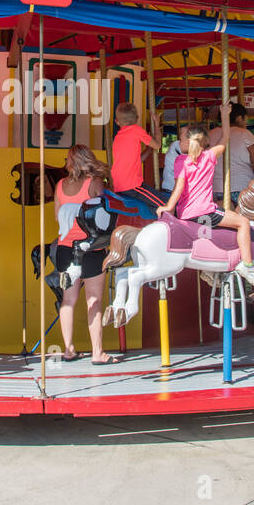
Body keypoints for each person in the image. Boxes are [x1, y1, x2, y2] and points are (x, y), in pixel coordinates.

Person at [160, 102, 254, 288]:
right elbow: (225, 137)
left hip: (186, 213)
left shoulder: (180, 160)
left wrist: (169, 207)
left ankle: (210, 268)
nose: (179, 141)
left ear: (189, 142)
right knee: (243, 222)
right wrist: (225, 114)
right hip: (205, 211)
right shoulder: (209, 157)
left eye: (181, 138)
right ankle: (248, 266)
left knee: (213, 228)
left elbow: (178, 187)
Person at [54, 144, 119, 364]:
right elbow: (106, 212)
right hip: (91, 248)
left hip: (65, 248)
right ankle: (98, 353)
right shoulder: (95, 183)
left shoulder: (61, 185)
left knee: (68, 300)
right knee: (94, 300)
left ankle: (68, 350)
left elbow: (57, 217)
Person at [207, 102, 254, 204]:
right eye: (245, 119)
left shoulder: (210, 134)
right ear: (239, 118)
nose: (246, 123)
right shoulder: (245, 134)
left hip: (214, 189)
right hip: (241, 187)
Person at [110, 102, 164, 206]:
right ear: (137, 118)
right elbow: (157, 145)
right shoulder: (136, 130)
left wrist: (148, 150)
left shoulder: (118, 137)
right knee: (166, 204)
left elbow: (136, 160)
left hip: (119, 185)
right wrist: (157, 124)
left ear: (116, 121)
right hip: (132, 186)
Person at [160, 124, 192, 193]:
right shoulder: (175, 146)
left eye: (181, 140)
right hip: (172, 189)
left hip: (176, 191)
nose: (179, 142)